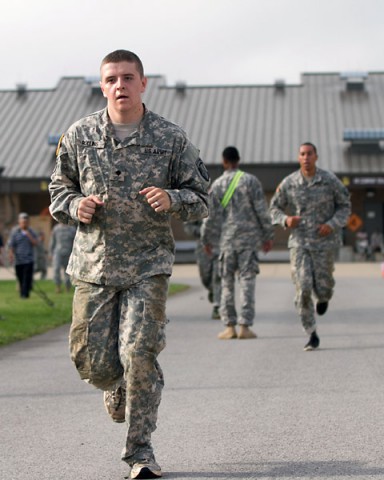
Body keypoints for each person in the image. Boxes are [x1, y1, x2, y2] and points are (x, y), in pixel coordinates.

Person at [49, 49, 209, 479]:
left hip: (147, 266)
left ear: (143, 83)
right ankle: (112, 384)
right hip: (93, 267)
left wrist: (173, 198)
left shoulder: (171, 139)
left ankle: (140, 453)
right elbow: (57, 190)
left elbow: (202, 199)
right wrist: (75, 204)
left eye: (127, 77)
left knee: (140, 354)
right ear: (103, 86)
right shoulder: (79, 135)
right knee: (92, 362)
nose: (119, 85)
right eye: (111, 79)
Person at [269, 142, 351, 351]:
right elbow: (274, 208)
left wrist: (332, 225)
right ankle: (311, 333)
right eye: (302, 154)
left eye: (309, 154)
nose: (306, 157)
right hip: (300, 243)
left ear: (316, 156)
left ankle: (323, 298)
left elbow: (345, 206)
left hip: (325, 243)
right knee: (303, 287)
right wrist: (285, 220)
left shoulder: (330, 180)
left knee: (323, 287)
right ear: (299, 158)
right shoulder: (289, 183)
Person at [201, 146, 273, 340]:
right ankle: (245, 326)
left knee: (226, 283)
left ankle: (229, 326)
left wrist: (206, 239)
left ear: (224, 162)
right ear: (238, 160)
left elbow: (210, 216)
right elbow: (262, 211)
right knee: (247, 281)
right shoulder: (251, 181)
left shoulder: (217, 185)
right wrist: (268, 236)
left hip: (227, 242)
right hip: (248, 242)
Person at [183, 219, 221, 319]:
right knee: (205, 276)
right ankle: (212, 290)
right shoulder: (200, 203)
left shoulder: (225, 202)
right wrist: (204, 231)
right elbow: (188, 226)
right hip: (203, 245)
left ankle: (218, 306)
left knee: (219, 275)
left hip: (222, 243)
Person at [7, 212, 38, 298]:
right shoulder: (15, 232)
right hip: (19, 260)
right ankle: (23, 292)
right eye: (23, 222)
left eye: (26, 222)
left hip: (29, 260)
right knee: (20, 278)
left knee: (27, 278)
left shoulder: (31, 231)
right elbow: (11, 245)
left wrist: (29, 235)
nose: (24, 224)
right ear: (19, 222)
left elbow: (35, 243)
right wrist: (11, 255)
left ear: (28, 223)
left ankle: (25, 295)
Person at [49, 223, 76, 293]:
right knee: (56, 269)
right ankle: (58, 286)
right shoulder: (56, 228)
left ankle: (68, 287)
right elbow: (52, 241)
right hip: (57, 252)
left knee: (67, 271)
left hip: (68, 252)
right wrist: (50, 253)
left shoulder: (72, 229)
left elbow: (75, 242)